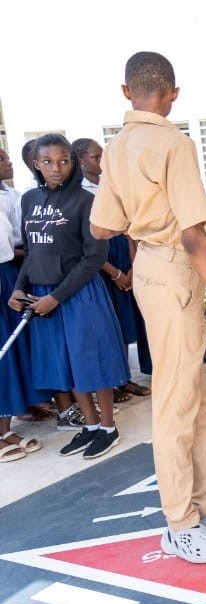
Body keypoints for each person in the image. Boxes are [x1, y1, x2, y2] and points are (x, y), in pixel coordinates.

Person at [90, 51, 206, 564]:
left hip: (149, 271)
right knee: (175, 402)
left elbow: (101, 228)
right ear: (174, 93)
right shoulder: (172, 142)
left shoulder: (116, 147)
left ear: (126, 92)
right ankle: (179, 521)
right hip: (173, 271)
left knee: (192, 396)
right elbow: (192, 236)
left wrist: (142, 219)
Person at [10, 134, 129, 459]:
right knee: (67, 364)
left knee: (92, 361)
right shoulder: (29, 200)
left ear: (72, 162)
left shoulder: (84, 200)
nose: (56, 168)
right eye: (47, 162)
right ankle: (89, 425)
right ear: (36, 164)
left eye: (63, 161)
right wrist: (20, 288)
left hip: (79, 293)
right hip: (44, 294)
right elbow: (32, 250)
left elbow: (93, 257)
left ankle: (108, 427)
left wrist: (58, 297)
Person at [75, 138, 153, 399]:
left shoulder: (112, 183)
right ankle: (117, 380)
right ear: (81, 160)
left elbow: (129, 221)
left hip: (125, 250)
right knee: (113, 323)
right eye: (96, 157)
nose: (102, 161)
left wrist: (132, 261)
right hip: (101, 259)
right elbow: (87, 241)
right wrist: (115, 272)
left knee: (137, 315)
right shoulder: (79, 191)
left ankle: (138, 372)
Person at [0, 149, 43, 461]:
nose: (9, 162)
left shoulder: (10, 194)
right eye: (2, 158)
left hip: (8, 274)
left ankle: (5, 424)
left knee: (11, 349)